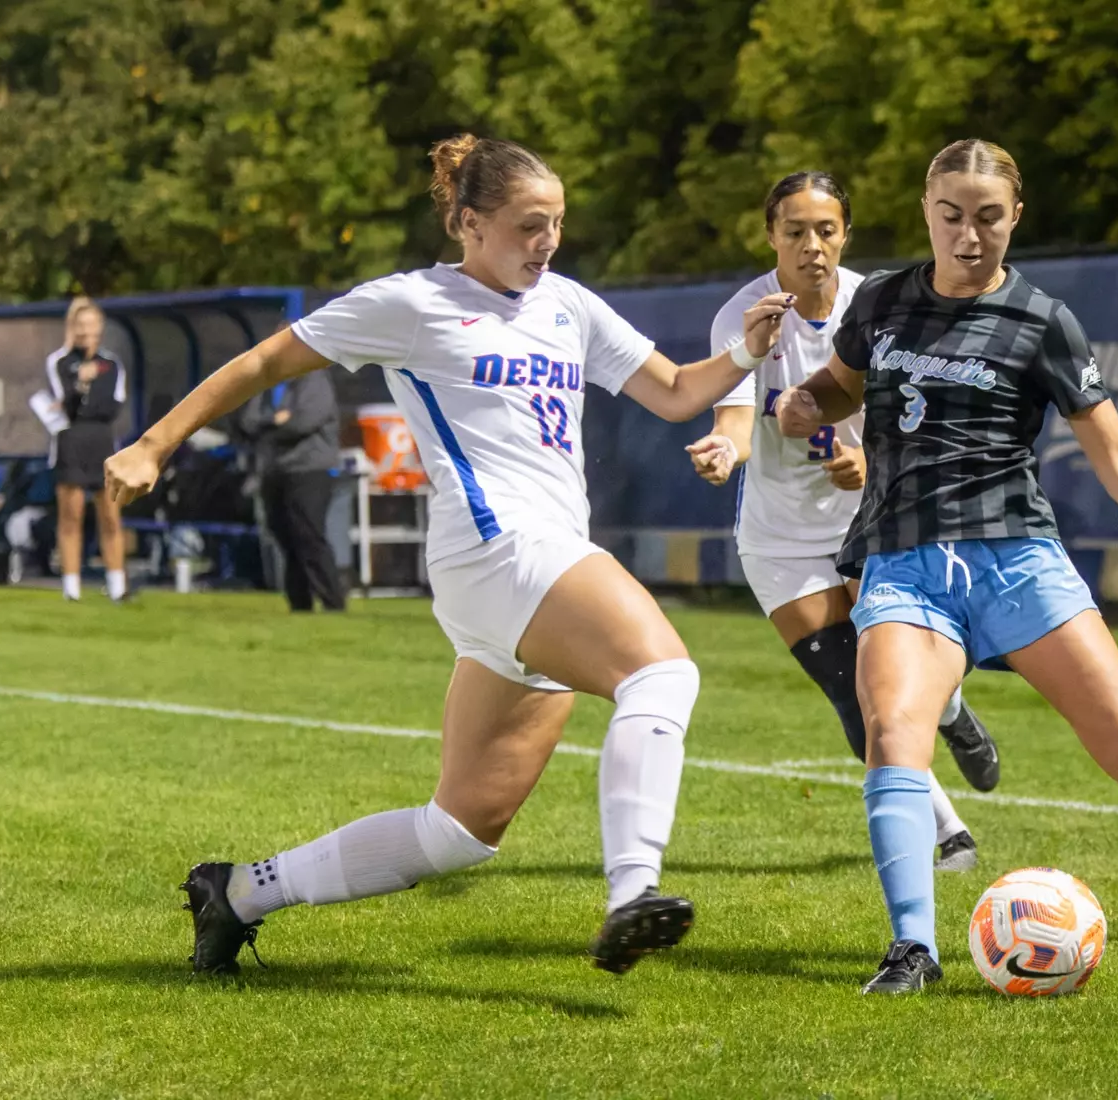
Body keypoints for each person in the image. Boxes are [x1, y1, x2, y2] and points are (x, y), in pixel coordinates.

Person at [105, 134, 794, 977]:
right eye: (529, 225)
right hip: (498, 551)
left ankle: (240, 892)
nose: (547, 242)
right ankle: (632, 896)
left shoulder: (568, 306)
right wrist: (152, 444)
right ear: (469, 221)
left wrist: (748, 354)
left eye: (558, 224)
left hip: (525, 571)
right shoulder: (409, 302)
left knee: (460, 831)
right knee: (663, 674)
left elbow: (680, 391)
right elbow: (262, 361)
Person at [774, 139, 1118, 995]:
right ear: (926, 210)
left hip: (1017, 563)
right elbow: (839, 386)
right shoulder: (882, 304)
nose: (969, 235)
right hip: (904, 563)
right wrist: (804, 402)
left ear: (1014, 218)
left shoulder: (1042, 321)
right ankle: (911, 949)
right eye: (952, 216)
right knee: (892, 731)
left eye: (988, 218)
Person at [687, 171, 1000, 873]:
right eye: (795, 231)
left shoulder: (877, 305)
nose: (812, 246)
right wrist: (721, 453)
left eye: (825, 231)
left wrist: (868, 456)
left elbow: (921, 417)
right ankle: (947, 831)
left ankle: (948, 710)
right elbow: (735, 420)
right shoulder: (747, 313)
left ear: (845, 236)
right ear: (771, 236)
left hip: (877, 523)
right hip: (779, 540)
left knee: (906, 674)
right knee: (851, 687)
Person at [235, 366, 348, 611]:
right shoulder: (268, 382)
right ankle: (300, 603)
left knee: (308, 533)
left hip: (310, 469)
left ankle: (333, 602)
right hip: (274, 469)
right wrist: (274, 421)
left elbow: (304, 421)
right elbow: (247, 421)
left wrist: (268, 428)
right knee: (283, 534)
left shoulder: (314, 379)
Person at [46, 297, 128, 602]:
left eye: (91, 324)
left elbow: (111, 407)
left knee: (110, 515)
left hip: (102, 444)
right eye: (80, 325)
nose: (86, 330)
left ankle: (118, 586)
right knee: (71, 515)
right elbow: (65, 406)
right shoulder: (59, 362)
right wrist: (79, 386)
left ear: (100, 327)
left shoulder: (112, 365)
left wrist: (85, 399)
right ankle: (71, 588)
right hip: (71, 443)